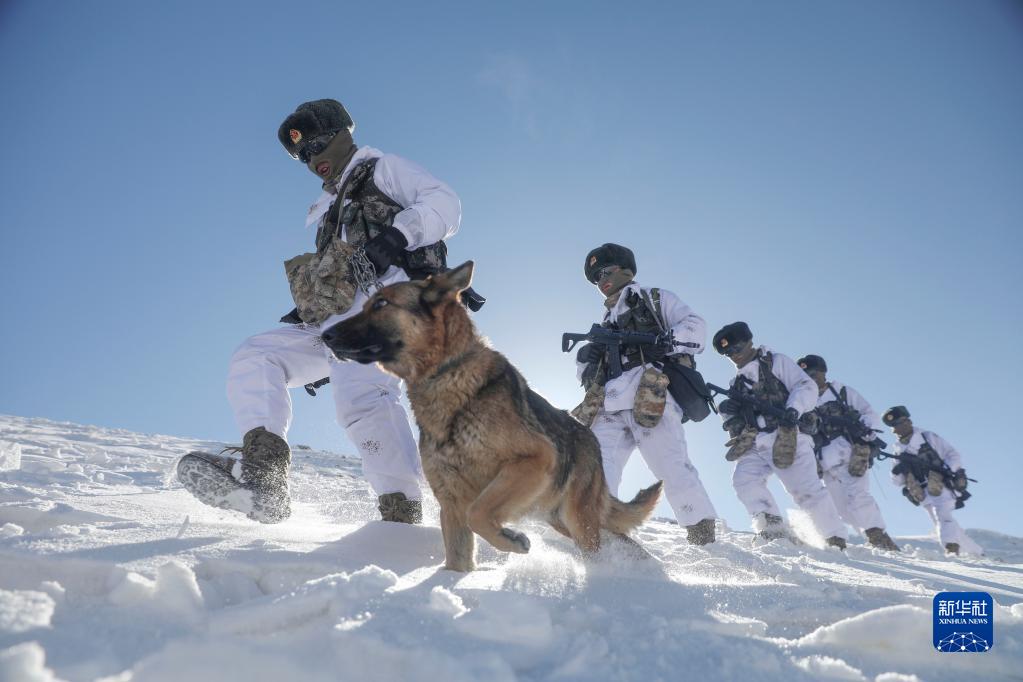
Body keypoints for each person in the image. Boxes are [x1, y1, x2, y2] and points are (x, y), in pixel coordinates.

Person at [177, 98, 461, 524]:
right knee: (256, 356)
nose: (311, 159)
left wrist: (399, 237)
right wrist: (309, 308)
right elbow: (339, 271)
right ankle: (263, 479)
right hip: (338, 323)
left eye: (315, 145)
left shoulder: (382, 170)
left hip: (391, 309)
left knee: (360, 399)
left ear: (340, 135)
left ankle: (402, 510)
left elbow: (445, 203)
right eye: (303, 154)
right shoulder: (326, 210)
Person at [573, 244, 719, 545]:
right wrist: (587, 363)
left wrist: (668, 340)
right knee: (596, 464)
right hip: (609, 402)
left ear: (625, 268)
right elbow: (586, 370)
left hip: (650, 391)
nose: (601, 281)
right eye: (595, 278)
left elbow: (695, 327)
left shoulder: (654, 298)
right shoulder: (604, 322)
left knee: (669, 463)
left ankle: (700, 529)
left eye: (605, 272)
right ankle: (597, 526)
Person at [712, 323, 847, 549]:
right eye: (727, 354)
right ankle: (773, 527)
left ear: (748, 343)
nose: (733, 356)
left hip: (787, 434)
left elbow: (806, 386)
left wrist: (794, 409)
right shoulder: (735, 383)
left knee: (805, 490)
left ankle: (834, 538)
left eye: (735, 349)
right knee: (744, 480)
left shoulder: (776, 361)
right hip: (756, 441)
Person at [797, 355, 899, 551]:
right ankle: (853, 536)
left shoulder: (842, 392)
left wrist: (866, 430)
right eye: (805, 376)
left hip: (850, 453)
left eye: (813, 374)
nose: (810, 379)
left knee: (858, 495)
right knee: (840, 508)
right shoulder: (803, 399)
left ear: (823, 373)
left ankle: (877, 535)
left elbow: (868, 413)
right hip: (824, 461)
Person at [882, 406, 982, 555]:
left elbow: (953, 455)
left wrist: (948, 470)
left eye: (899, 423)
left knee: (943, 516)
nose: (897, 429)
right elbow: (897, 482)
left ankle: (951, 548)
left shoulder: (927, 437)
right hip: (922, 493)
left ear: (908, 421)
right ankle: (976, 553)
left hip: (941, 486)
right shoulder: (898, 449)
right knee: (940, 521)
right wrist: (897, 471)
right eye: (893, 426)